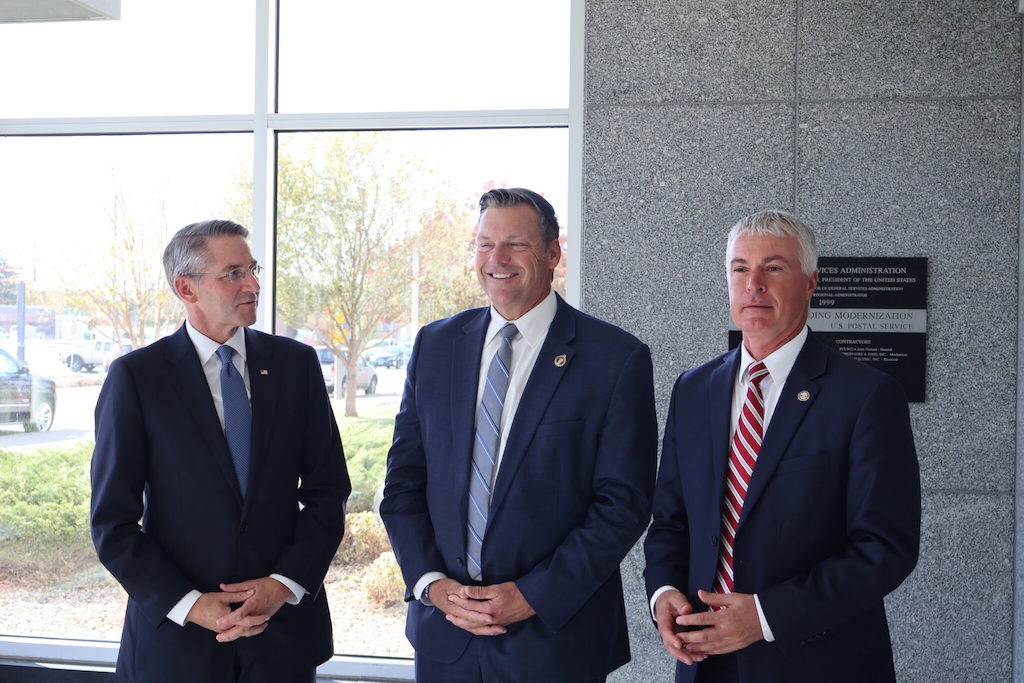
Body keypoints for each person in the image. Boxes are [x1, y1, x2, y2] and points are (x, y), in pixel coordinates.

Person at [380, 188, 658, 682]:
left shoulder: (614, 358)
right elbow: (403, 483)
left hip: (555, 641)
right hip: (447, 636)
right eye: (485, 245)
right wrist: (430, 584)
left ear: (553, 254)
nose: (497, 260)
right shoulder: (435, 345)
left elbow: (623, 504)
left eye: (515, 245)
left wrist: (533, 596)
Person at [643, 210, 921, 682]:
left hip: (818, 662)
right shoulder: (693, 389)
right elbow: (671, 519)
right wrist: (664, 592)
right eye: (739, 269)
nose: (754, 284)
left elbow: (885, 547)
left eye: (773, 268)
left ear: (811, 282)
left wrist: (766, 616)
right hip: (705, 662)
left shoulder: (866, 395)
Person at [90, 219, 351, 683]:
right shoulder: (137, 379)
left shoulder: (296, 366)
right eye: (233, 273)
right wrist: (191, 605)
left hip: (282, 639)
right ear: (186, 288)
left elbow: (327, 492)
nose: (252, 284)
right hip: (176, 645)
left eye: (252, 269)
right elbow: (113, 523)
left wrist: (284, 584)